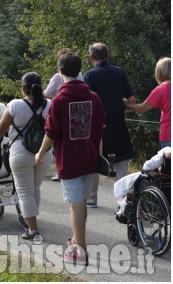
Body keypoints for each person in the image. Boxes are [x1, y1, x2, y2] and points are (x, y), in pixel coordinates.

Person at [35, 52, 106, 266]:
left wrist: (40, 153)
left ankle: (80, 251)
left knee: (75, 204)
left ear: (60, 71)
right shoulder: (93, 97)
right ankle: (76, 240)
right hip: (89, 156)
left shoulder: (59, 100)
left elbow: (51, 131)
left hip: (70, 159)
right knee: (81, 201)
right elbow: (100, 126)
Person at [0, 73, 52, 240]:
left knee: (25, 192)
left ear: (23, 88)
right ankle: (31, 221)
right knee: (35, 189)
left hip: (20, 153)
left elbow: (0, 130)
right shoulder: (50, 105)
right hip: (44, 153)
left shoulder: (15, 105)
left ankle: (33, 229)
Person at [84, 42, 135, 208]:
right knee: (121, 160)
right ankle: (121, 200)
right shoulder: (119, 72)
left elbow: (88, 101)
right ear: (108, 56)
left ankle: (92, 199)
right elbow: (132, 98)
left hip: (99, 122)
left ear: (91, 58)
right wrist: (124, 106)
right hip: (118, 120)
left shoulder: (90, 75)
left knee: (95, 159)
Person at [44, 48, 84, 181]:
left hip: (61, 109)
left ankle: (61, 169)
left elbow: (47, 93)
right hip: (78, 111)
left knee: (59, 143)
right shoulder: (80, 74)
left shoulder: (57, 76)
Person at [125, 57, 171, 149]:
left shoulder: (161, 89)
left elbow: (141, 108)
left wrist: (126, 105)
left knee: (169, 163)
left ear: (159, 72)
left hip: (169, 134)